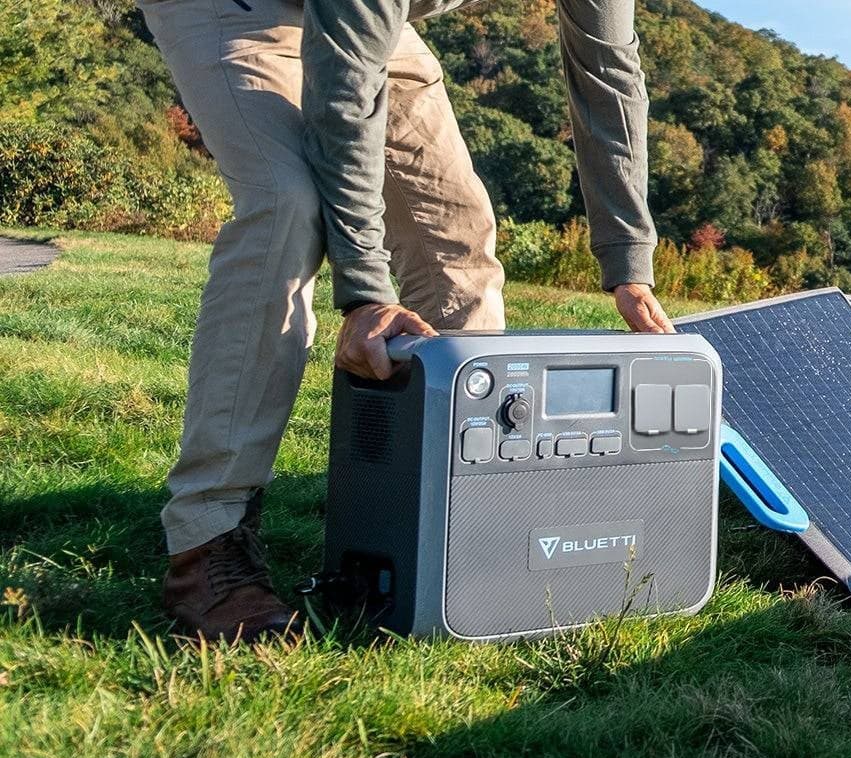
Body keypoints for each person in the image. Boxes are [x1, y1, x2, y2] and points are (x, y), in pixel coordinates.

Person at [138, 0, 672, 642]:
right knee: (286, 207)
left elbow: (608, 76)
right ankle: (208, 543)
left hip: (373, 29)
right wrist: (365, 290)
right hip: (233, 10)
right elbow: (346, 77)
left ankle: (462, 517)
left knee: (456, 234)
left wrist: (628, 263)